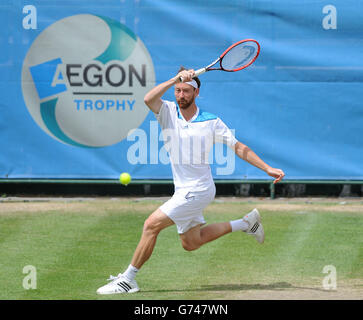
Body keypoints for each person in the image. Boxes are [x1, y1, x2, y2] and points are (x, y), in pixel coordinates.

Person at [96, 67, 285, 294]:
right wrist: (175, 79)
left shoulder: (211, 122)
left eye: (186, 91)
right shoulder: (166, 111)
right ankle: (246, 223)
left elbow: (239, 148)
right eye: (177, 90)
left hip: (199, 189)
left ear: (196, 93)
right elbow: (148, 98)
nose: (180, 95)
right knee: (191, 242)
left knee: (150, 225)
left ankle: (128, 279)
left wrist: (267, 168)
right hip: (182, 190)